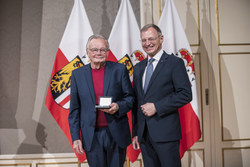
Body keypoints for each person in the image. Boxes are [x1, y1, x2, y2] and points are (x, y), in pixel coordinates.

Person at [132, 24, 192, 167]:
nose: (147, 44)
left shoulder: (174, 63)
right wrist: (136, 132)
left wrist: (157, 107)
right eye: (144, 40)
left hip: (166, 134)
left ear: (161, 38)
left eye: (151, 39)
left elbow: (185, 94)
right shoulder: (139, 67)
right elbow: (137, 101)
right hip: (144, 135)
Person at [68, 34, 134, 167]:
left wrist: (118, 106)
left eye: (103, 50)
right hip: (91, 135)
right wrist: (75, 138)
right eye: (94, 50)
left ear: (108, 52)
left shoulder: (119, 70)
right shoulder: (77, 74)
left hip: (116, 133)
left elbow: (130, 98)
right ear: (87, 52)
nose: (99, 53)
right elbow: (75, 110)